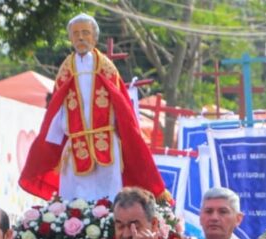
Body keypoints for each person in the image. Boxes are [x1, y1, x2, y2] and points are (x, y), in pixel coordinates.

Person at [19, 13, 164, 201]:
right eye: (76, 33)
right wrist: (50, 145)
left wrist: (125, 137)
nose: (80, 38)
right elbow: (56, 111)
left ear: (94, 38)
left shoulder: (107, 69)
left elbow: (123, 108)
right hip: (75, 144)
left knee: (109, 195)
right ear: (70, 38)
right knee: (73, 196)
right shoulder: (65, 71)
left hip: (107, 142)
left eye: (85, 33)